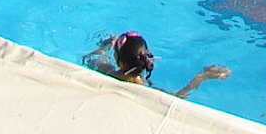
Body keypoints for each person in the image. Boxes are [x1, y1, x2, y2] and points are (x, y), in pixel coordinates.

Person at [85, 31, 229, 99]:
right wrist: (202, 77)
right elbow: (179, 97)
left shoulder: (108, 72)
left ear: (119, 60)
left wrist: (105, 46)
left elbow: (91, 58)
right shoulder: (146, 89)